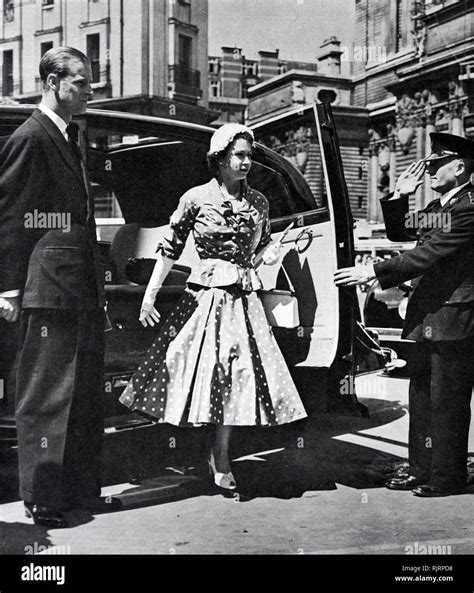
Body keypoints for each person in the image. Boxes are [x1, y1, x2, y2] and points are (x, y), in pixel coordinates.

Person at [120, 123, 307, 493]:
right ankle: (186, 451)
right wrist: (150, 294)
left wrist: (273, 253)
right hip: (204, 299)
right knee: (197, 374)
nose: (246, 162)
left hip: (243, 300)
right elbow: (170, 248)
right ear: (219, 158)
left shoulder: (259, 202)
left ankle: (221, 455)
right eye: (238, 154)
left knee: (238, 377)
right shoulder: (195, 198)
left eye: (249, 155)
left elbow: (259, 251)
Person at [0, 47, 118, 527]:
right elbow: (9, 218)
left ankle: (82, 491)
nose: (90, 90)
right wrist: (7, 289)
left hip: (80, 288)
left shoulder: (72, 135)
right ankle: (45, 498)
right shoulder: (31, 137)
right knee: (47, 397)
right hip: (48, 288)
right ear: (52, 82)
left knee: (85, 396)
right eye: (82, 82)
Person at [334, 132, 474, 497]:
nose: (427, 168)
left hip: (455, 315)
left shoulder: (468, 208)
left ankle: (447, 477)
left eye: (435, 163)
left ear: (459, 168)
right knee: (422, 396)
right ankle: (420, 467)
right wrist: (400, 196)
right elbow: (401, 231)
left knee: (448, 400)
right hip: (430, 314)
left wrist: (372, 272)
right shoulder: (441, 208)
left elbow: (425, 257)